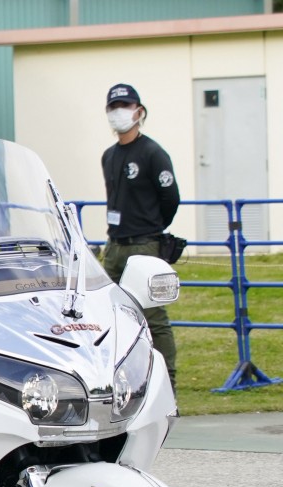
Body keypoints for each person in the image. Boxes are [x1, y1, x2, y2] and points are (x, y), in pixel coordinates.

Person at [101, 83, 180, 390]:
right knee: (108, 314)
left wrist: (152, 229)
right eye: (113, 107)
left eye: (124, 105)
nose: (118, 112)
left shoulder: (152, 153)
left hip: (144, 244)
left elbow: (170, 198)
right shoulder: (109, 155)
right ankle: (119, 383)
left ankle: (167, 387)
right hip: (115, 245)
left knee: (154, 318)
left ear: (139, 111)